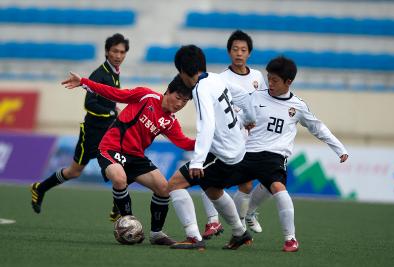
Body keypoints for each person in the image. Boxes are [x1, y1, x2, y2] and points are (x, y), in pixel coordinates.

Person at [231, 55, 349, 252]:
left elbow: (318, 128)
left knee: (278, 187)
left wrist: (340, 149)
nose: (270, 83)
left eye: (275, 80)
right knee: (222, 185)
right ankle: (240, 223)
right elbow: (239, 119)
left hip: (274, 157)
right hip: (249, 153)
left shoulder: (298, 106)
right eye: (269, 78)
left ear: (289, 82)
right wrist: (241, 123)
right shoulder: (256, 96)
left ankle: (290, 239)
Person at [61, 72, 195, 246]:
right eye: (178, 98)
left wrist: (209, 142)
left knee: (164, 188)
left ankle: (156, 234)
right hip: (111, 148)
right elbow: (114, 94)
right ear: (168, 91)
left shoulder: (170, 122)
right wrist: (84, 82)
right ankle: (128, 225)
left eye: (185, 102)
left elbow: (184, 143)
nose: (180, 104)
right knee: (119, 178)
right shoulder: (145, 96)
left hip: (136, 157)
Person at [167, 45, 257, 250]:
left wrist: (198, 161)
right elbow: (243, 95)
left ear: (181, 71)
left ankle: (193, 237)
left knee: (173, 185)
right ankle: (239, 233)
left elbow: (206, 125)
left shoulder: (199, 88)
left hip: (222, 154)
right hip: (236, 149)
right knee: (212, 188)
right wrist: (248, 118)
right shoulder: (216, 78)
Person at [31, 33, 129, 216]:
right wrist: (112, 112)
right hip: (92, 132)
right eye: (115, 51)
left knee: (121, 166)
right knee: (74, 172)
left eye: (122, 52)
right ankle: (40, 187)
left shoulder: (114, 73)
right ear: (107, 52)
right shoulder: (100, 74)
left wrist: (114, 106)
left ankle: (118, 208)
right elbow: (89, 104)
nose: (118, 55)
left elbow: (105, 97)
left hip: (108, 132)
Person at [200, 30, 267, 239]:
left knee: (247, 184)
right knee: (208, 177)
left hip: (252, 138)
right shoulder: (222, 78)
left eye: (243, 50)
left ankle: (240, 221)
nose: (239, 53)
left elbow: (262, 104)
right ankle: (213, 221)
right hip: (229, 138)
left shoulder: (257, 76)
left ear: (249, 53)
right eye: (235, 49)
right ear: (229, 52)